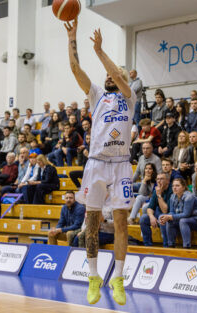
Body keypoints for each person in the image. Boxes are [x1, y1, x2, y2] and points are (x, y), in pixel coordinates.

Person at [65, 18, 135, 305]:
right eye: (107, 74)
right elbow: (74, 69)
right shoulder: (96, 96)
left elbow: (118, 77)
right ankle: (93, 276)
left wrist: (99, 51)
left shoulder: (130, 97)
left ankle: (118, 277)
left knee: (121, 222)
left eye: (114, 73)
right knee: (91, 223)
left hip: (121, 165)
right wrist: (72, 38)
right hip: (96, 163)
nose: (110, 77)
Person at [159, 178, 197, 248]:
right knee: (166, 218)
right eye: (173, 186)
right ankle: (170, 245)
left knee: (183, 221)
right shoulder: (172, 196)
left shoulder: (189, 197)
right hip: (188, 219)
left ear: (183, 187)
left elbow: (186, 214)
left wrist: (170, 217)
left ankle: (186, 247)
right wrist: (164, 217)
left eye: (177, 186)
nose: (174, 188)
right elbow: (172, 212)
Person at [139, 173, 171, 247]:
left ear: (167, 181)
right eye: (158, 179)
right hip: (159, 214)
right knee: (143, 218)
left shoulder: (171, 190)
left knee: (162, 217)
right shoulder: (156, 190)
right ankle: (148, 246)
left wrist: (159, 195)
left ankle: (166, 246)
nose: (159, 181)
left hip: (170, 216)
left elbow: (165, 211)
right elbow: (150, 208)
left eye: (162, 179)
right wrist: (151, 216)